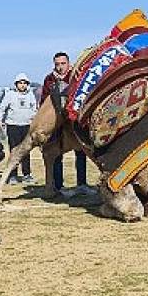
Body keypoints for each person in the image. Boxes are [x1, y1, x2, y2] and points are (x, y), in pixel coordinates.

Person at [41, 52, 95, 197]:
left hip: (75, 120)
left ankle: (82, 184)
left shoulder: (76, 75)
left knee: (81, 152)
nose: (60, 67)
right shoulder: (49, 80)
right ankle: (58, 186)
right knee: (57, 152)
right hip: (57, 122)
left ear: (68, 63)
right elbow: (44, 101)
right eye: (57, 64)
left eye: (63, 64)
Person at [0, 73, 38, 184]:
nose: (22, 85)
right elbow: (1, 108)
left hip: (27, 126)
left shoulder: (30, 95)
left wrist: (35, 123)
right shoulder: (10, 94)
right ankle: (12, 175)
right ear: (16, 84)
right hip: (13, 126)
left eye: (24, 83)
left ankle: (27, 175)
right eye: (20, 83)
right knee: (14, 150)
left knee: (26, 151)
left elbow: (34, 110)